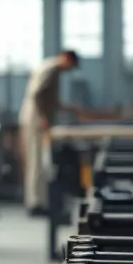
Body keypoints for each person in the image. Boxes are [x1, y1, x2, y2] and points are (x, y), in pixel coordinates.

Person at [18, 49, 80, 216]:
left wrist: (69, 108)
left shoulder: (48, 67)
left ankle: (37, 200)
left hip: (34, 118)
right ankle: (36, 203)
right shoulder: (51, 70)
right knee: (38, 161)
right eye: (71, 65)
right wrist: (43, 117)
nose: (69, 70)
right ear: (66, 58)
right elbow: (37, 94)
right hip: (36, 120)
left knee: (37, 160)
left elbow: (50, 99)